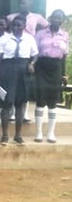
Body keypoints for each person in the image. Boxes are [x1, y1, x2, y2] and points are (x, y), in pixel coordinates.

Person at [0, 16, 38, 145]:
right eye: (14, 25)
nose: (17, 27)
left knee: (20, 104)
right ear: (11, 26)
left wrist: (32, 64)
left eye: (20, 25)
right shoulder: (4, 39)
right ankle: (5, 135)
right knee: (7, 103)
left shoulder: (29, 39)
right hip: (8, 70)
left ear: (24, 26)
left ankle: (18, 135)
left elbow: (35, 54)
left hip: (23, 69)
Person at [34, 10, 69, 143]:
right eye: (54, 17)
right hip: (42, 67)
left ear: (62, 20)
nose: (56, 20)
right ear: (50, 19)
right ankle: (38, 133)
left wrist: (64, 74)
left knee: (53, 101)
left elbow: (64, 56)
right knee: (41, 99)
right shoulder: (40, 34)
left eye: (59, 18)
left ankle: (50, 133)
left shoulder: (65, 35)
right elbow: (35, 53)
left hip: (56, 68)